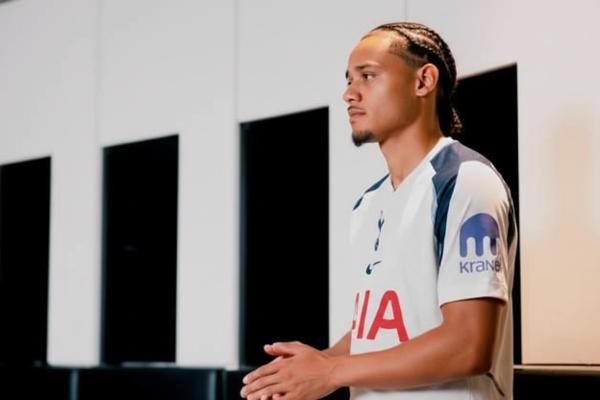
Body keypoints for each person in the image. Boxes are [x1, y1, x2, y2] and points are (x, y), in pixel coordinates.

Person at [240, 21, 517, 400]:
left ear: (423, 81)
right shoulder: (368, 203)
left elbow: (467, 345)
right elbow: (379, 332)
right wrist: (311, 366)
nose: (349, 93)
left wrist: (331, 371)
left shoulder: (465, 180)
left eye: (367, 76)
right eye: (348, 80)